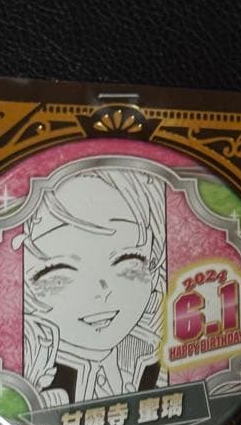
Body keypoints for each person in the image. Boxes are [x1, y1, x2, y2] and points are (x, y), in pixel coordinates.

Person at [13, 165, 168, 407]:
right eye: (59, 274)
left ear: (155, 264)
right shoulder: (30, 374)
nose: (101, 290)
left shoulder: (155, 357)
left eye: (128, 262)